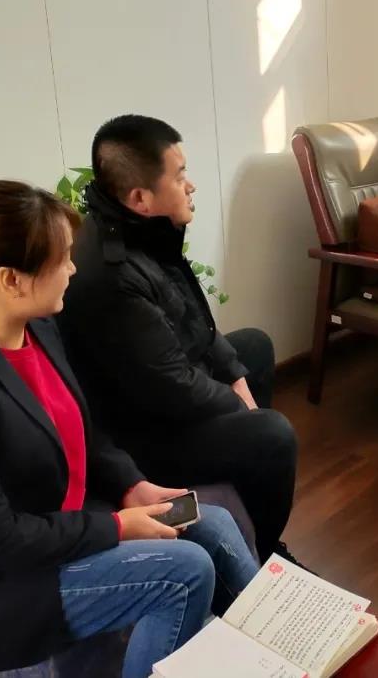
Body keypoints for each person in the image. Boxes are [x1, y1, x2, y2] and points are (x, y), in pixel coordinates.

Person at [0, 181, 259, 678]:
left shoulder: (35, 328)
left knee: (213, 523)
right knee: (183, 573)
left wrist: (131, 486)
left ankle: (279, 647)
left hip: (51, 520)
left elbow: (82, 429)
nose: (74, 269)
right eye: (62, 259)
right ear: (11, 280)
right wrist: (118, 527)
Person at [56, 115, 299, 565]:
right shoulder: (111, 275)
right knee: (273, 435)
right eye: (180, 175)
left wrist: (234, 375)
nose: (191, 186)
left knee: (253, 347)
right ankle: (266, 556)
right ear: (141, 197)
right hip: (140, 433)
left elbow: (196, 320)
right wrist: (240, 406)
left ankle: (248, 496)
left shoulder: (141, 229)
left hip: (157, 393)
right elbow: (173, 387)